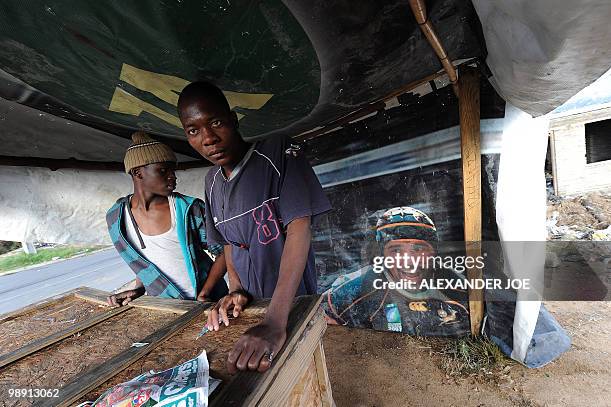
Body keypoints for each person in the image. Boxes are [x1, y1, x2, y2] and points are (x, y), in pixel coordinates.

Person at [177, 81, 331, 373]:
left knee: (306, 374)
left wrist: (275, 320)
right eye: (193, 131)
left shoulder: (278, 153)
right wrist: (236, 291)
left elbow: (300, 230)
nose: (208, 138)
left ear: (233, 120)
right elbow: (229, 243)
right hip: (254, 313)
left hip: (290, 307)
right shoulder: (211, 183)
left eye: (216, 122)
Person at [106, 131, 228, 306]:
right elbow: (147, 260)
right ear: (138, 173)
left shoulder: (189, 209)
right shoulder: (116, 219)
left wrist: (205, 293)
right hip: (166, 307)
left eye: (173, 170)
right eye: (163, 170)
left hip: (210, 302)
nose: (173, 176)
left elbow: (225, 251)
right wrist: (139, 288)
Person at [324, 206, 470, 336]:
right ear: (382, 256)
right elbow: (316, 323)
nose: (408, 261)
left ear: (434, 253)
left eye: (418, 249)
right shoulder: (353, 290)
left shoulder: (460, 288)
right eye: (396, 250)